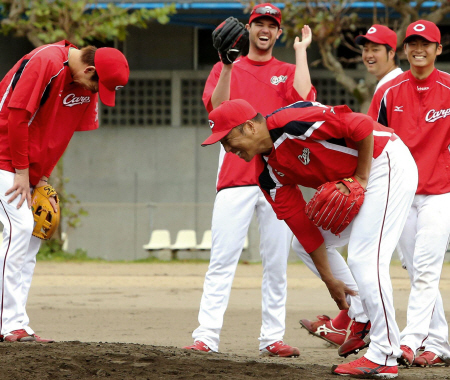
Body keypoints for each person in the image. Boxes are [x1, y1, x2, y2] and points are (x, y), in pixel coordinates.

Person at [202, 98, 418, 378]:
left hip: (384, 161)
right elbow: (303, 227)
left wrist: (361, 178)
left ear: (250, 127)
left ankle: (384, 354)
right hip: (357, 180)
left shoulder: (292, 123)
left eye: (228, 140)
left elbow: (362, 125)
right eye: (222, 145)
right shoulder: (266, 174)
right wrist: (329, 279)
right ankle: (362, 314)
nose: (228, 150)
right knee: (301, 246)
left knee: (365, 257)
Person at [183, 3, 316, 357]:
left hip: (278, 178)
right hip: (236, 176)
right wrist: (227, 63)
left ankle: (272, 337)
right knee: (222, 260)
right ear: (249, 27)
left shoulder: (287, 70)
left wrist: (301, 53)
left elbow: (305, 100)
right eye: (259, 22)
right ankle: (206, 335)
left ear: (278, 33)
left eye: (272, 25)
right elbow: (216, 111)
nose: (265, 29)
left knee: (276, 264)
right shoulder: (226, 66)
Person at [0, 40, 129, 342]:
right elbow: (17, 115)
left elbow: (63, 133)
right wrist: (21, 172)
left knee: (33, 235)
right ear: (89, 69)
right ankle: (9, 323)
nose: (96, 92)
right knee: (19, 230)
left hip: (27, 169)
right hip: (5, 158)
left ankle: (15, 321)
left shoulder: (83, 84)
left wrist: (42, 175)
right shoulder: (46, 61)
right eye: (97, 85)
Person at [299, 24, 405, 357]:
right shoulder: (381, 87)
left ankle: (412, 342)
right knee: (378, 263)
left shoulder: (394, 86)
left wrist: (360, 179)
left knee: (409, 268)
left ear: (392, 53)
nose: (369, 54)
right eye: (365, 48)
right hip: (389, 183)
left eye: (377, 48)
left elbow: (392, 143)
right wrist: (301, 51)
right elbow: (305, 99)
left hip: (400, 185)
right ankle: (356, 319)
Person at [368, 20, 450, 368]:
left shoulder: (449, 87)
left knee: (428, 267)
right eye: (413, 44)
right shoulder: (389, 91)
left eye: (426, 44)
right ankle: (440, 342)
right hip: (400, 194)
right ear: (404, 50)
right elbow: (370, 139)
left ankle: (410, 340)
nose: (419, 49)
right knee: (416, 271)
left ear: (438, 49)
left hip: (440, 192)